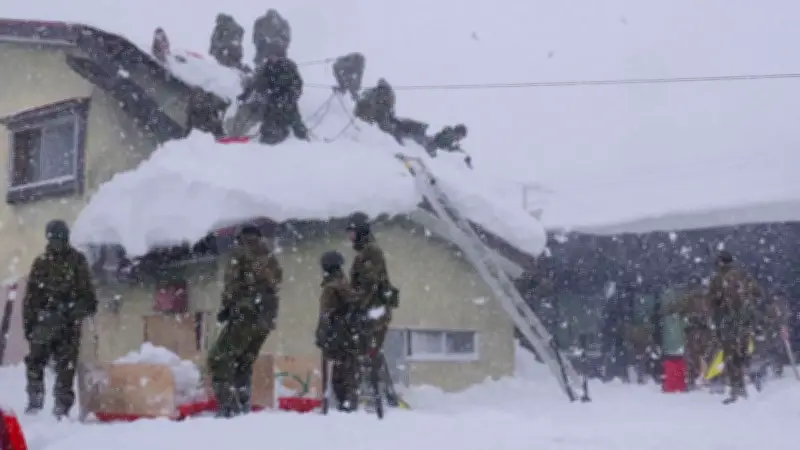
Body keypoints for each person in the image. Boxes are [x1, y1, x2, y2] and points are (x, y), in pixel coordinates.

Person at [23, 220, 97, 419]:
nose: (58, 242)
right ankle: (34, 404)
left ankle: (61, 410)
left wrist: (70, 312)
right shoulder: (41, 263)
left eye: (61, 237)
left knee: (66, 369)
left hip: (67, 326)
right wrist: (29, 325)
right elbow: (31, 298)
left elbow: (88, 299)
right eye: (54, 237)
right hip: (44, 323)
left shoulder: (77, 261)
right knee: (35, 363)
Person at [207, 224, 283, 417]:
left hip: (245, 314)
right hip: (265, 319)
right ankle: (243, 405)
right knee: (243, 362)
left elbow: (231, 284)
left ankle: (228, 409)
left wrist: (226, 308)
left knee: (219, 359)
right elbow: (276, 284)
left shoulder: (239, 253)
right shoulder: (270, 257)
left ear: (240, 238)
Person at [707, 251, 762, 404]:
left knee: (731, 357)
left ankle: (737, 389)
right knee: (743, 355)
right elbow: (758, 294)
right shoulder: (744, 276)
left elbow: (711, 303)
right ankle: (751, 386)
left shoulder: (717, 279)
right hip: (745, 324)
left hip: (728, 325)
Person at [346, 213, 398, 359]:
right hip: (372, 312)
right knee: (368, 356)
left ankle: (373, 380)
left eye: (352, 232)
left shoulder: (370, 251)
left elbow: (369, 284)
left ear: (360, 231)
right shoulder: (365, 251)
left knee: (368, 357)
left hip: (373, 314)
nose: (349, 237)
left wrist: (357, 306)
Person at [315, 251, 361, 411]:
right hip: (349, 337)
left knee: (340, 378)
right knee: (348, 376)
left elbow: (326, 315)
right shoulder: (345, 284)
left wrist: (322, 335)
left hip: (338, 337)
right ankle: (348, 406)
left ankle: (346, 408)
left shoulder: (331, 288)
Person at [238, 51, 309, 144]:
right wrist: (245, 95)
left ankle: (303, 139)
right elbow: (257, 83)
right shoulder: (266, 67)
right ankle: (268, 137)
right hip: (271, 99)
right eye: (270, 55)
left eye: (274, 55)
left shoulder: (288, 66)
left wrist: (290, 97)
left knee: (294, 120)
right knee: (269, 120)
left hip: (287, 99)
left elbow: (297, 84)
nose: (272, 58)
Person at [666, 275, 712, 389]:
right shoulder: (708, 297)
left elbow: (679, 309)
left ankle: (693, 379)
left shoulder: (689, 297)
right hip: (705, 331)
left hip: (692, 330)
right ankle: (704, 378)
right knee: (704, 355)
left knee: (691, 356)